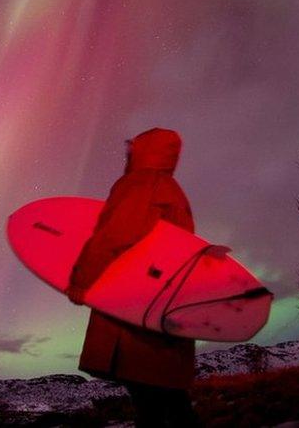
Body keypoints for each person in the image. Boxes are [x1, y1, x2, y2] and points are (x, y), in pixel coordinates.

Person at [66, 127, 200, 427]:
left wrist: (82, 281)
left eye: (132, 150)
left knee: (152, 402)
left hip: (136, 310)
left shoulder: (139, 184)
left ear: (142, 151)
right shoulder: (173, 190)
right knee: (168, 398)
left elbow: (112, 237)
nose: (127, 156)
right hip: (164, 308)